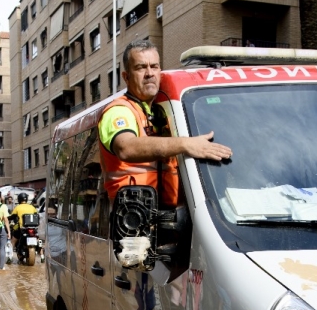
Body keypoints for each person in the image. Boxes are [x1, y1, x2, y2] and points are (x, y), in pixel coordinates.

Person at [99, 39, 232, 207]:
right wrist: (186, 144)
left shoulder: (162, 110)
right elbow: (126, 148)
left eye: (154, 67)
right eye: (141, 67)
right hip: (134, 221)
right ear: (126, 77)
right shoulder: (118, 110)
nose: (149, 73)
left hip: (171, 218)